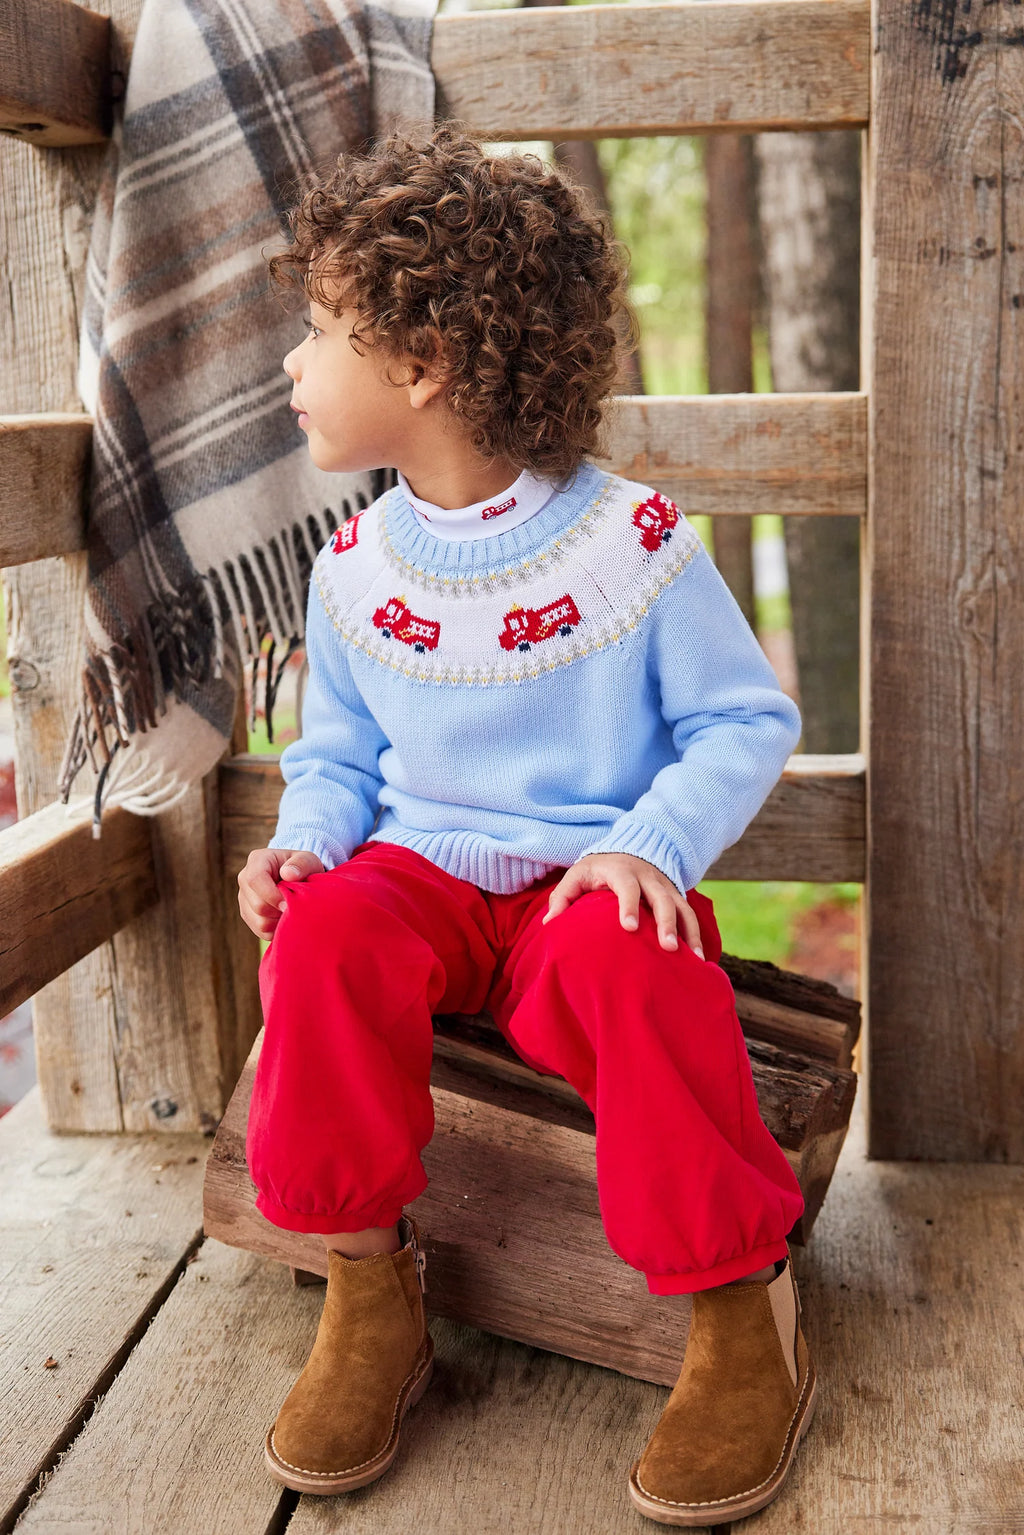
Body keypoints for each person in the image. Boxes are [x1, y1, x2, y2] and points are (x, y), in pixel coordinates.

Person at [237, 124, 816, 1526]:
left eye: (320, 333)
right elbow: (343, 750)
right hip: (418, 883)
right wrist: (308, 837)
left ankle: (743, 1310)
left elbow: (746, 721)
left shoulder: (632, 545)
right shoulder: (360, 567)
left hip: (577, 891)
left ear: (425, 365)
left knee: (637, 956)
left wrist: (649, 848)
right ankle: (369, 1284)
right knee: (319, 937)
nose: (293, 368)